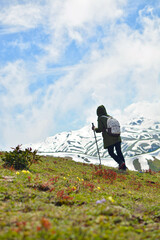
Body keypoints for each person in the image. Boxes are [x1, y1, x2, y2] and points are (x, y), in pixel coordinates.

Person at [92, 105, 127, 170]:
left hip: (109, 138)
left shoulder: (100, 118)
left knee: (111, 152)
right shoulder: (110, 117)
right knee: (119, 151)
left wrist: (94, 129)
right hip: (117, 136)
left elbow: (100, 129)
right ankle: (124, 167)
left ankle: (120, 163)